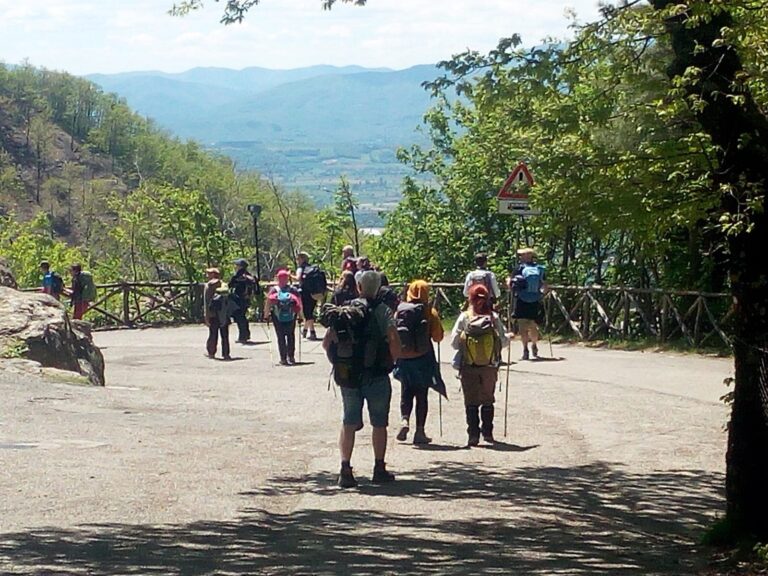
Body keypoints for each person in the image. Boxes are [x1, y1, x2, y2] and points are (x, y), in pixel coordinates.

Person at [323, 270, 401, 488]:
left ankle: (345, 469)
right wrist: (393, 361)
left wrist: (339, 362)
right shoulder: (383, 310)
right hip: (376, 375)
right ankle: (379, 468)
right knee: (379, 423)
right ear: (378, 289)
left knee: (348, 421)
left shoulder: (345, 311)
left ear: (358, 287)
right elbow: (393, 339)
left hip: (348, 375)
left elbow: (326, 343)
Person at [451, 284, 510, 446]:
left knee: (470, 400)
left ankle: (473, 435)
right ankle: (488, 433)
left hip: (468, 365)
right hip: (490, 366)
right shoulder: (493, 317)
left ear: (470, 298)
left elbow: (454, 343)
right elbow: (503, 342)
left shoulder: (464, 317)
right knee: (487, 399)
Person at [394, 280, 445, 445]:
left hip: (404, 358)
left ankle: (404, 420)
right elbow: (438, 337)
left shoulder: (400, 310)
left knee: (406, 391)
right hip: (423, 357)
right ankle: (420, 431)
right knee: (422, 395)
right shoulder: (429, 312)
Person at [509, 247, 547, 360]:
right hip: (535, 299)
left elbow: (511, 284)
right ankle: (534, 345)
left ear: (527, 256)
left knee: (522, 326)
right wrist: (541, 294)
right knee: (533, 325)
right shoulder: (539, 269)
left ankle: (525, 349)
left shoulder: (519, 268)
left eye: (522, 255)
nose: (520, 257)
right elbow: (545, 285)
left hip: (521, 299)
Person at [265, 269, 302, 365]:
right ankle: (291, 357)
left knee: (280, 336)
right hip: (291, 316)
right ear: (287, 278)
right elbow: (299, 303)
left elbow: (268, 303)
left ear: (278, 278)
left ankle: (283, 358)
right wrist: (300, 316)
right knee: (291, 335)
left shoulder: (274, 290)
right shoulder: (293, 290)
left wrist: (266, 315)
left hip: (277, 316)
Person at [203, 268, 234, 360]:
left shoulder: (208, 285)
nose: (207, 275)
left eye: (209, 273)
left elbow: (206, 301)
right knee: (225, 334)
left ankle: (211, 352)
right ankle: (226, 353)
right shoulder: (224, 285)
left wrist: (206, 315)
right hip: (224, 313)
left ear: (213, 274)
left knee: (213, 334)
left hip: (213, 313)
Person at [295, 251, 324, 341]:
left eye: (298, 259)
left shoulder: (301, 269)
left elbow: (298, 278)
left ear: (302, 259)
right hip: (314, 292)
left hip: (305, 293)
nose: (297, 260)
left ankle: (312, 332)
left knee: (307, 313)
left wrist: (289, 275)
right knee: (310, 312)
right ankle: (305, 330)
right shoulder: (312, 269)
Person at [229, 258, 258, 343]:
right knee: (242, 316)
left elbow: (230, 284)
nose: (235, 267)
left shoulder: (239, 276)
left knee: (239, 317)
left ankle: (243, 336)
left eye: (237, 265)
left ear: (240, 266)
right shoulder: (250, 275)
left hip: (239, 299)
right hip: (246, 299)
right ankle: (245, 334)